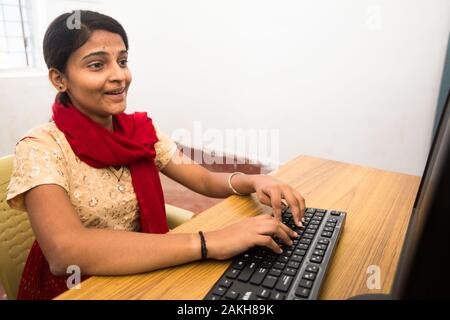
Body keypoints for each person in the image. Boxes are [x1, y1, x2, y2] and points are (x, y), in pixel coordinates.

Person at [6, 10, 306, 300]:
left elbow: (202, 180)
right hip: (79, 286)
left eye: (122, 61)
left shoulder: (139, 132)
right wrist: (208, 242)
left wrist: (254, 182)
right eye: (97, 65)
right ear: (59, 79)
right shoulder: (41, 147)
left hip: (143, 266)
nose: (119, 76)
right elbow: (65, 252)